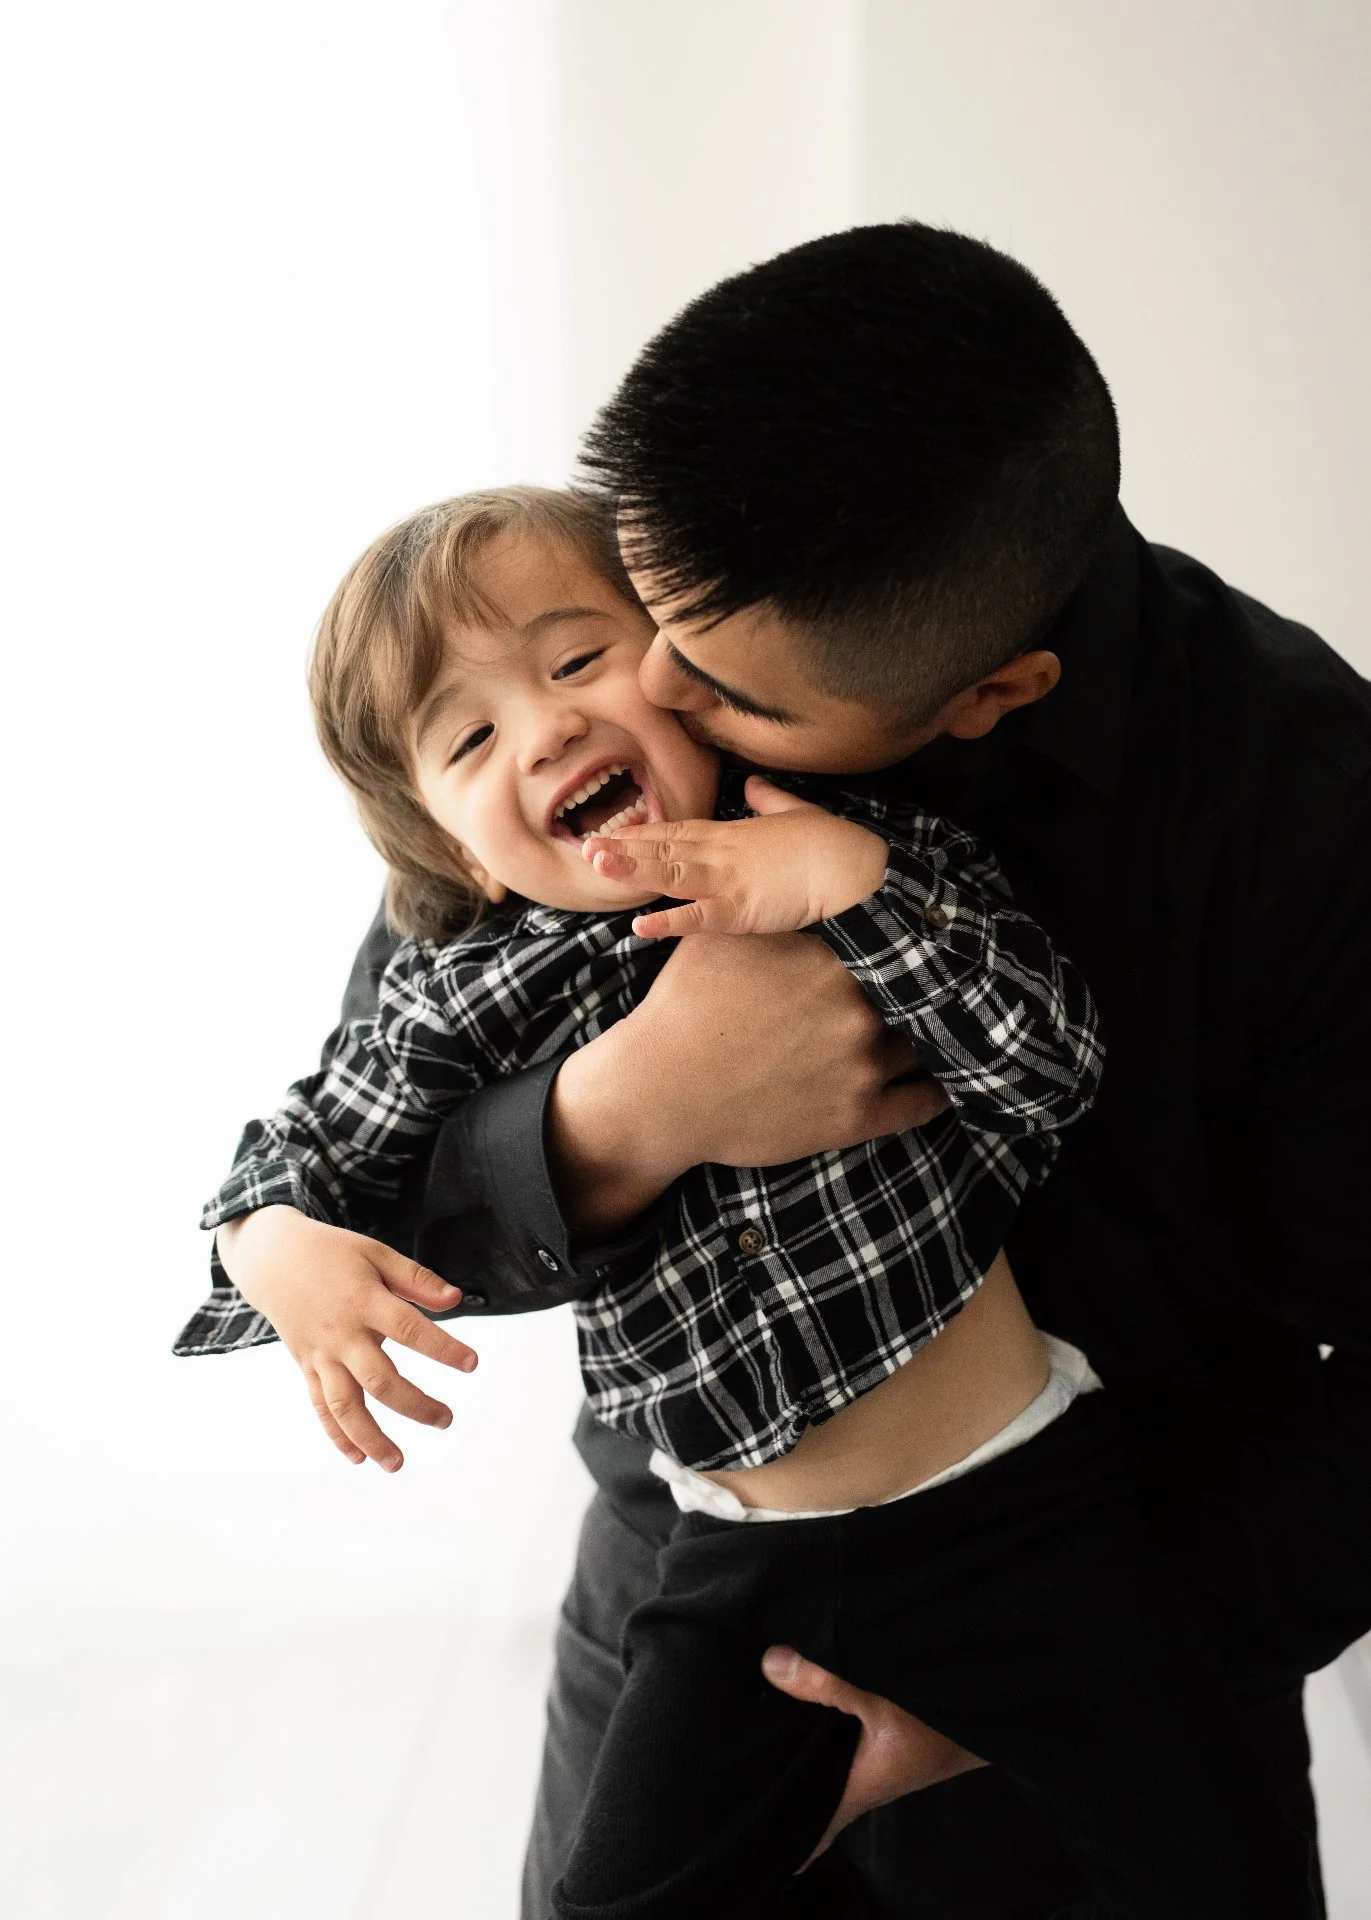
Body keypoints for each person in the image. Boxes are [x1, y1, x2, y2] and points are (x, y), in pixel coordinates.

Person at [311, 225, 1367, 1919]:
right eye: (624, 622)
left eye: (719, 693)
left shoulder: (1306, 810)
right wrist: (625, 1117)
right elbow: (382, 1135)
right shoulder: (631, 661)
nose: (629, 698)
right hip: (690, 1577)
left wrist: (1097, 1666)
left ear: (990, 695)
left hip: (1125, 1605)